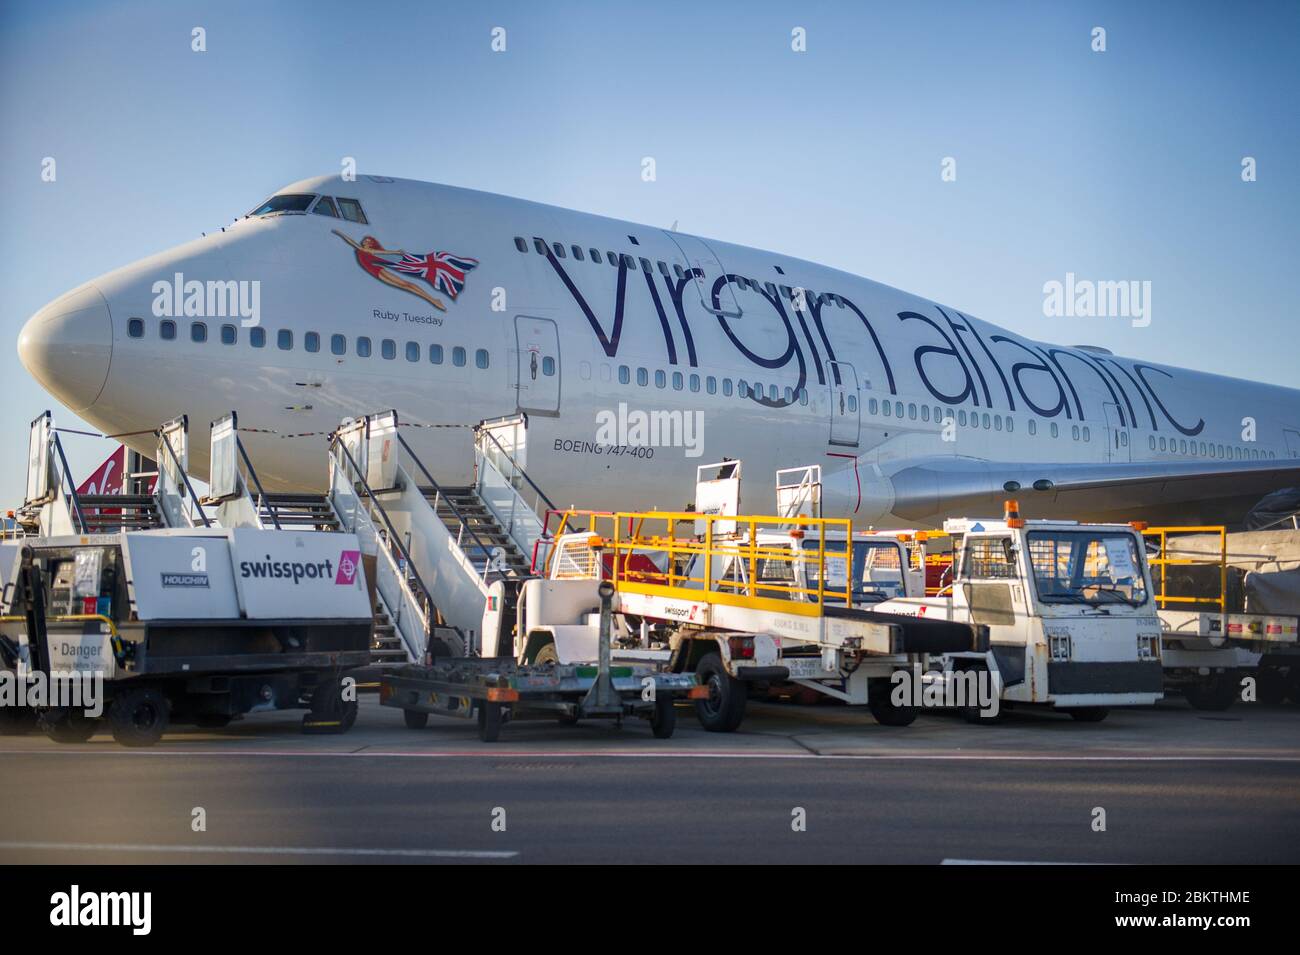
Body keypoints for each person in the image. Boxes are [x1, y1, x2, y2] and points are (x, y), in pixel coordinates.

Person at [332, 230, 446, 311]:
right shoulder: (360, 249)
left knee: (406, 284)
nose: (364, 241)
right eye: (364, 240)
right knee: (403, 286)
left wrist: (396, 252)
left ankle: (433, 300)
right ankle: (433, 300)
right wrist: (340, 233)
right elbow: (351, 241)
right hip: (375, 273)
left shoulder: (369, 250)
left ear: (370, 244)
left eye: (367, 240)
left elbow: (384, 253)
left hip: (378, 270)